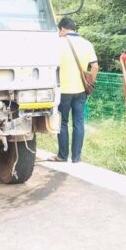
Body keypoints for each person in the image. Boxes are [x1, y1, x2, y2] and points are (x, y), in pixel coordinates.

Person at [52, 17, 98, 163]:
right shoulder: (87, 43)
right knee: (78, 123)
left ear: (62, 29)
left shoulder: (58, 43)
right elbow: (95, 66)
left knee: (63, 122)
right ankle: (76, 157)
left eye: (59, 31)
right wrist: (90, 82)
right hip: (81, 90)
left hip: (63, 90)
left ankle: (62, 156)